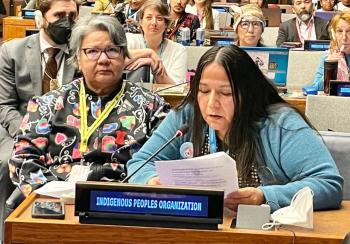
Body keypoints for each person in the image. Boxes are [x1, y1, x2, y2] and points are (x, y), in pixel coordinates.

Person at [127, 45, 343, 213]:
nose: (211, 104)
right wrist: (152, 181)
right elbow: (139, 165)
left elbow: (329, 184)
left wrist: (265, 196)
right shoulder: (187, 115)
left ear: (247, 94)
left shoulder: (279, 124)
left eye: (226, 93)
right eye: (203, 91)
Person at [8, 15, 169, 198]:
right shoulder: (47, 104)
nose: (103, 59)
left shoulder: (152, 107)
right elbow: (21, 161)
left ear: (125, 56)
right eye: (92, 51)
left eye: (112, 50)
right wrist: (59, 193)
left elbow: (166, 162)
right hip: (56, 203)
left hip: (126, 202)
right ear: (77, 57)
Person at [0, 0, 78, 241]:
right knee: (6, 163)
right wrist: (30, 135)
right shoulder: (12, 51)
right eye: (59, 15)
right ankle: (6, 232)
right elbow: (4, 105)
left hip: (68, 133)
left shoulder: (83, 51)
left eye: (72, 15)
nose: (67, 21)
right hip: (18, 128)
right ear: (41, 17)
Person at [126, 0, 187, 84]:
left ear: (166, 24)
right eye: (149, 18)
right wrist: (149, 52)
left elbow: (177, 88)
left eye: (159, 18)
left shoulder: (178, 50)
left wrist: (153, 65)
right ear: (140, 22)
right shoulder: (130, 40)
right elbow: (116, 60)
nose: (154, 23)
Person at [312, 11, 350, 90]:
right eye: (339, 31)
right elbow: (316, 88)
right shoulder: (328, 56)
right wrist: (329, 68)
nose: (344, 37)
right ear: (334, 34)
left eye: (349, 31)